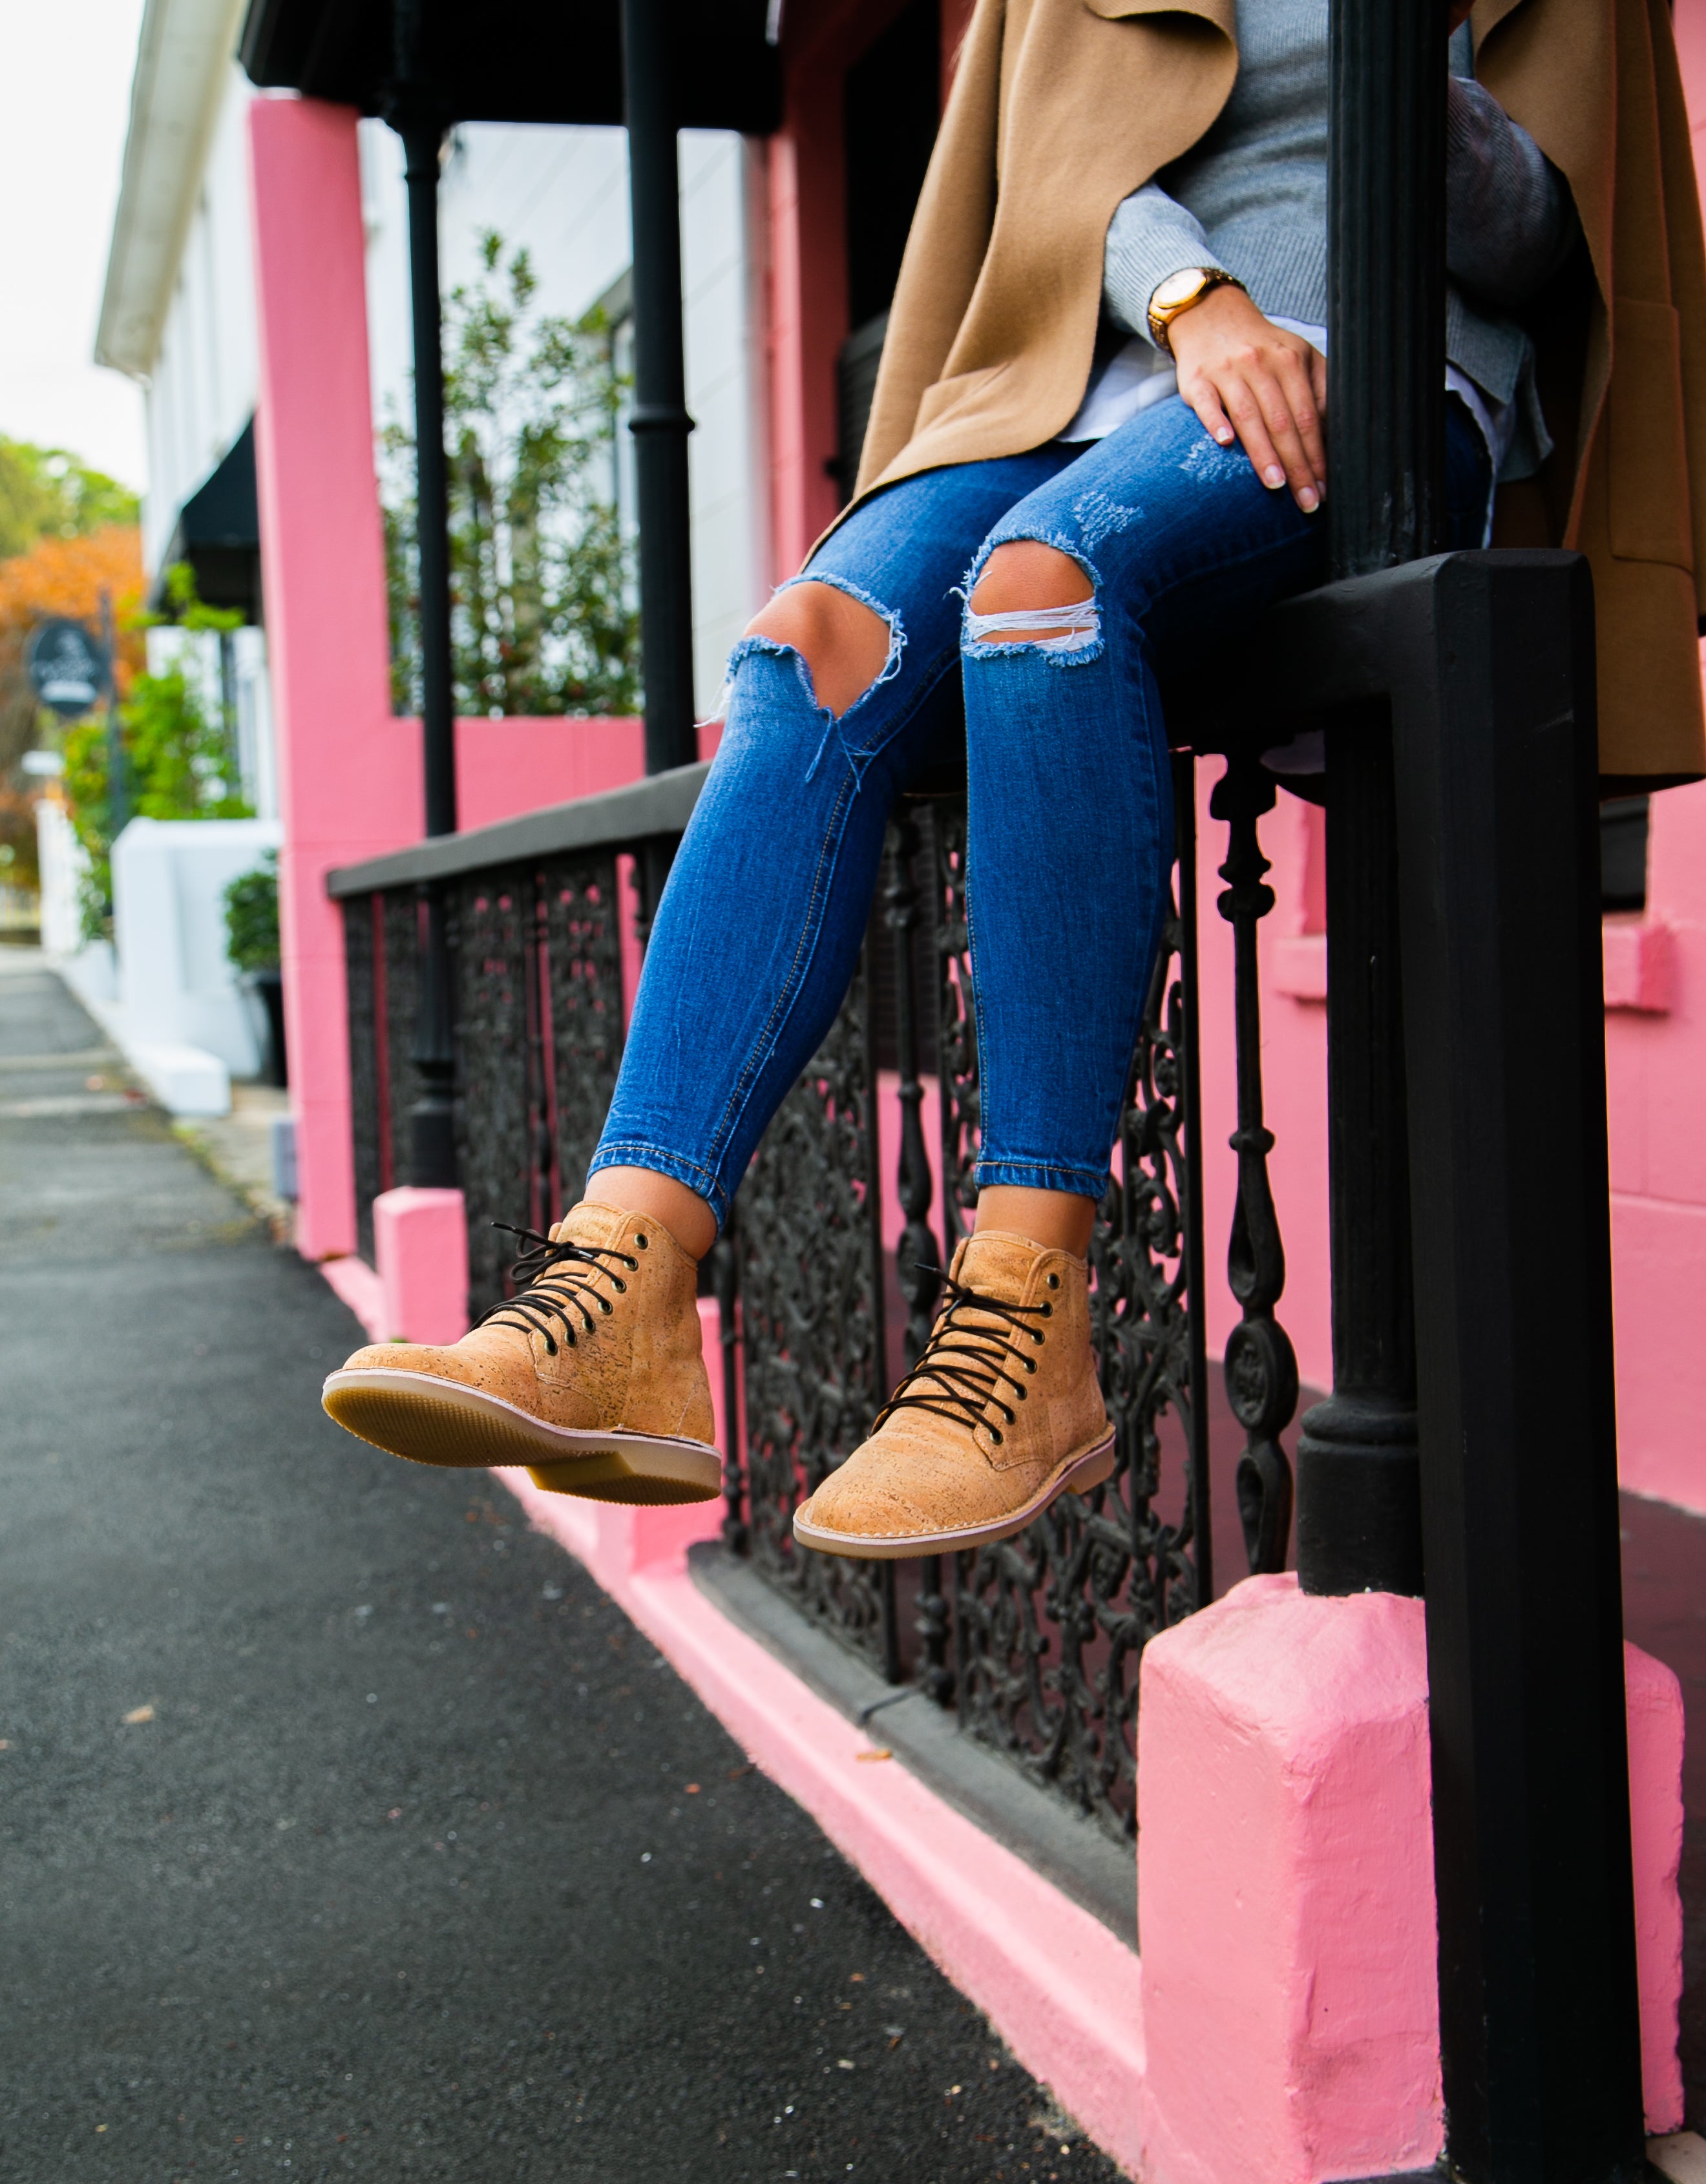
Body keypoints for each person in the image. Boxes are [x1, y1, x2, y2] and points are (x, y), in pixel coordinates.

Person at [323, 0, 1706, 1559]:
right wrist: (1194, 299)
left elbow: (1554, 236)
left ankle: (1025, 1327)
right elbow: (1054, 163)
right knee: (811, 645)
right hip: (1074, 375)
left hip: (1381, 381)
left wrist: (1412, 98)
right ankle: (622, 1293)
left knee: (1043, 587)